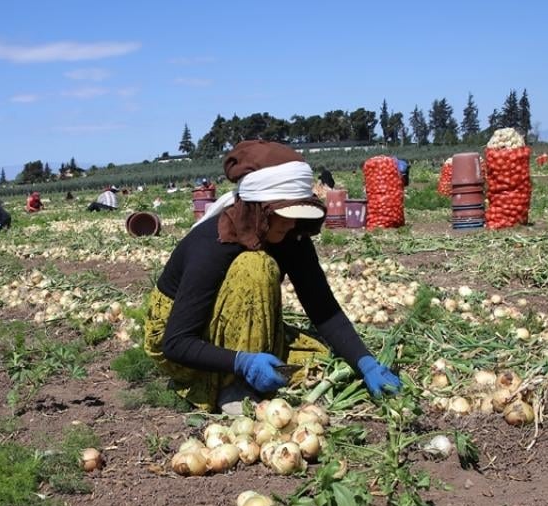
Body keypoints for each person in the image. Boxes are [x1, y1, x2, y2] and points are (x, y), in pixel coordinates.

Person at [144, 140, 402, 413]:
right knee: (257, 266)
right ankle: (235, 387)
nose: (292, 223)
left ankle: (252, 363)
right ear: (259, 210)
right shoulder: (211, 244)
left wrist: (365, 362)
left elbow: (323, 309)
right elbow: (175, 343)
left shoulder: (291, 234)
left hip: (233, 327)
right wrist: (241, 362)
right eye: (284, 214)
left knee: (325, 361)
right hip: (182, 340)